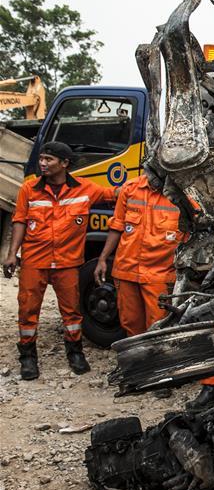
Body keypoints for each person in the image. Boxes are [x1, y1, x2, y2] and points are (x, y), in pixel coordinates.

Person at [3, 142, 119, 380]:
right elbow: (20, 220)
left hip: (67, 262)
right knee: (28, 310)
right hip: (35, 261)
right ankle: (27, 356)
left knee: (72, 312)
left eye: (49, 159)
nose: (42, 163)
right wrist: (12, 253)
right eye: (42, 159)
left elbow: (116, 194)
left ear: (65, 164)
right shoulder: (30, 188)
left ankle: (75, 353)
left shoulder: (86, 189)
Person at [94, 165, 184, 338]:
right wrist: (103, 258)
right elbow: (117, 225)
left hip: (159, 276)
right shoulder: (130, 188)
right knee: (130, 325)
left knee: (158, 329)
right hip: (126, 270)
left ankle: (154, 363)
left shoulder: (183, 196)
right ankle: (136, 362)